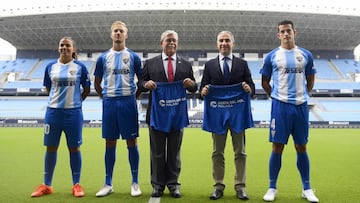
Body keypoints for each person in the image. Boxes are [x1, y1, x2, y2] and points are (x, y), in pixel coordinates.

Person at [260, 20, 319, 203]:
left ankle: (307, 188)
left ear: (295, 32)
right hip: (280, 107)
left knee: (301, 146)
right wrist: (276, 96)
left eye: (289, 31)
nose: (286, 34)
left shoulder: (305, 55)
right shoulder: (271, 56)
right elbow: (264, 81)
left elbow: (310, 79)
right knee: (277, 146)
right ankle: (272, 187)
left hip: (301, 106)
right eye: (282, 31)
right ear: (278, 35)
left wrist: (303, 95)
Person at [137, 30, 197, 198]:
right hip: (156, 114)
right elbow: (140, 83)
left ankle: (173, 184)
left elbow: (194, 87)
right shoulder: (150, 63)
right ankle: (157, 185)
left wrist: (191, 84)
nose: (171, 43)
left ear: (177, 43)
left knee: (174, 152)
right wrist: (145, 84)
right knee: (156, 152)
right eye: (168, 40)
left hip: (176, 114)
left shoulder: (185, 64)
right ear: (161, 43)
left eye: (174, 41)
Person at [30, 37, 91, 198]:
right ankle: (47, 185)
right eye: (61, 45)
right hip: (53, 113)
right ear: (59, 48)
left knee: (74, 148)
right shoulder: (51, 67)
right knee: (51, 148)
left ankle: (76, 185)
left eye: (67, 45)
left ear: (73, 49)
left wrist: (75, 102)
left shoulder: (80, 67)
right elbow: (48, 88)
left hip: (73, 114)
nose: (64, 47)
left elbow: (86, 89)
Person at [199, 31, 255, 201]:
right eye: (221, 40)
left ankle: (240, 186)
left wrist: (248, 89)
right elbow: (202, 89)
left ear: (233, 43)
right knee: (217, 152)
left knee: (241, 152)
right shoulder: (209, 65)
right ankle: (218, 186)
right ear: (217, 44)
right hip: (217, 115)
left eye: (227, 40)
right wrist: (204, 91)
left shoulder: (242, 64)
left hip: (237, 113)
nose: (224, 43)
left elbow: (251, 87)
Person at [94, 20, 142, 197]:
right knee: (109, 142)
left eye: (121, 31)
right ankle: (108, 183)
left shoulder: (134, 57)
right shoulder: (102, 57)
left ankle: (135, 182)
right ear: (111, 34)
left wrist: (132, 98)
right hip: (110, 103)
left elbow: (141, 82)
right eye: (115, 31)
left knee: (131, 142)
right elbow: (97, 82)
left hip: (128, 102)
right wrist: (105, 97)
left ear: (126, 34)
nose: (118, 34)